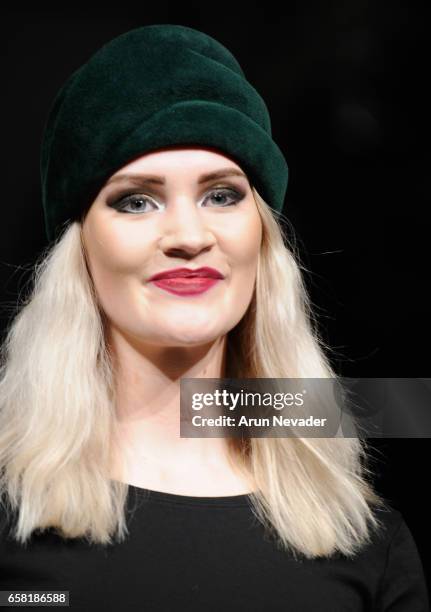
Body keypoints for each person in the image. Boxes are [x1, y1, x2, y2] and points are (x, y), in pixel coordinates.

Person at [0, 24, 429, 611]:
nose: (188, 236)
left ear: (262, 236)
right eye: (136, 200)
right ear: (78, 248)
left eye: (222, 195)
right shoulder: (12, 519)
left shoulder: (363, 541)